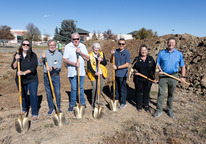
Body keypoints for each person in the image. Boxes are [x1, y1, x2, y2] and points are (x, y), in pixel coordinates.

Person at [153, 37, 186, 118]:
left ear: (175, 44)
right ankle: (159, 110)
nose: (170, 44)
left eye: (172, 42)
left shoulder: (179, 54)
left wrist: (183, 76)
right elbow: (158, 64)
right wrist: (159, 70)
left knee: (171, 94)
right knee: (161, 93)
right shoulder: (161, 53)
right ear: (167, 43)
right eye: (169, 42)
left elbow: (182, 66)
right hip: (163, 76)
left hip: (174, 76)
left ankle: (169, 109)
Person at [11, 39, 39, 121]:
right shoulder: (17, 54)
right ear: (21, 45)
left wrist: (23, 73)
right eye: (24, 44)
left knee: (33, 96)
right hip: (20, 80)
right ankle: (24, 109)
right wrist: (16, 59)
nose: (26, 46)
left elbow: (33, 68)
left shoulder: (33, 55)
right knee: (22, 95)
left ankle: (34, 113)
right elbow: (13, 67)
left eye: (27, 45)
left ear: (30, 46)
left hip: (32, 79)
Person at [63, 33, 89, 112]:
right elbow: (65, 59)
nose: (76, 41)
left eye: (78, 39)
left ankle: (82, 102)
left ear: (79, 39)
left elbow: (87, 58)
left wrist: (80, 52)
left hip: (81, 72)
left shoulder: (82, 46)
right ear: (72, 40)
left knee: (80, 88)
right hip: (72, 72)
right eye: (74, 39)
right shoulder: (68, 46)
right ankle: (72, 104)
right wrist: (74, 64)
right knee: (74, 88)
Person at [38, 40, 62, 115]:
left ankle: (58, 107)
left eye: (53, 45)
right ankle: (51, 108)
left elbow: (59, 66)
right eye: (50, 45)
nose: (52, 46)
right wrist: (42, 57)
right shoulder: (44, 53)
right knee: (48, 93)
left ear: (55, 46)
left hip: (55, 75)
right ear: (48, 45)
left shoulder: (59, 54)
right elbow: (39, 63)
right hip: (46, 76)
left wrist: (51, 68)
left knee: (57, 92)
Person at [132, 44, 157, 112]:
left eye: (145, 50)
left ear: (147, 51)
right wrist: (135, 71)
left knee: (146, 92)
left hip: (148, 79)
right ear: (140, 51)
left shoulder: (150, 59)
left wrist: (155, 78)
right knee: (139, 92)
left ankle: (146, 105)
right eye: (142, 50)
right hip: (138, 79)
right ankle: (139, 105)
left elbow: (154, 69)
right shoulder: (137, 59)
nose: (143, 51)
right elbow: (132, 68)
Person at [110, 38, 130, 109]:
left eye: (122, 44)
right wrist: (112, 55)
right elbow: (111, 61)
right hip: (115, 74)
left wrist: (117, 67)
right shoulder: (115, 51)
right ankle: (117, 99)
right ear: (118, 44)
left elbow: (127, 64)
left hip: (122, 74)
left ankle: (124, 102)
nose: (121, 45)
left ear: (125, 45)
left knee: (122, 89)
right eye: (120, 44)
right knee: (116, 88)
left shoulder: (127, 53)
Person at [87, 42, 107, 108]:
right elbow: (89, 66)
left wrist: (101, 61)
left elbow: (105, 63)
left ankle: (97, 100)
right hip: (94, 74)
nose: (96, 49)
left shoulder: (101, 53)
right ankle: (93, 102)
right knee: (95, 88)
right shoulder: (89, 55)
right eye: (95, 48)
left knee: (100, 87)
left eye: (98, 48)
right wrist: (94, 72)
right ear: (93, 48)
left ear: (99, 49)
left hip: (101, 73)